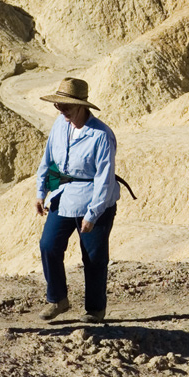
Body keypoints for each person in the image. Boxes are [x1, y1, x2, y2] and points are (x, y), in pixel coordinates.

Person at [34, 77, 120, 323]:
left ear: (82, 105)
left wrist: (93, 215)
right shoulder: (59, 126)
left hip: (94, 201)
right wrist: (42, 192)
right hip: (62, 195)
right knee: (48, 245)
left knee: (93, 256)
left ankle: (95, 310)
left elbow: (105, 179)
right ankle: (58, 299)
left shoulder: (102, 135)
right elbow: (50, 161)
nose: (61, 110)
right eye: (58, 105)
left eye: (66, 105)